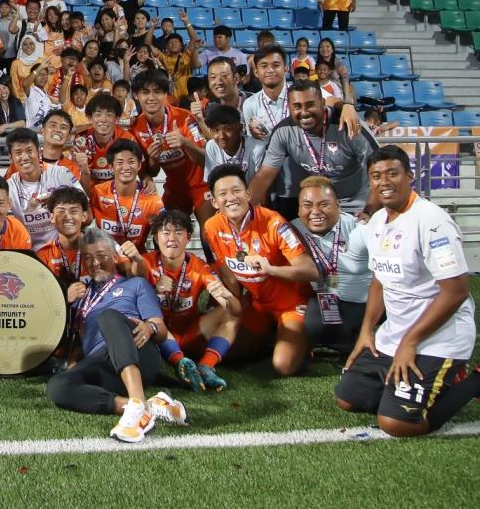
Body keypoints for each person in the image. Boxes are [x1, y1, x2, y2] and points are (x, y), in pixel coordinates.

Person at [335, 146, 480, 437]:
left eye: (393, 173)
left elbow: (455, 291)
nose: (384, 182)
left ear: (410, 176)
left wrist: (411, 342)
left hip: (438, 338)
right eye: (377, 176)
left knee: (397, 424)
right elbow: (380, 279)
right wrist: (367, 331)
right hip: (395, 336)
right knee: (348, 398)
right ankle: (424, 383)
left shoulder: (433, 223)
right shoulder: (377, 222)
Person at [45, 227, 188, 442]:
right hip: (104, 365)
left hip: (139, 352)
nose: (95, 263)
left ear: (114, 256)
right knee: (56, 387)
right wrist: (65, 301)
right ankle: (141, 407)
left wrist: (150, 328)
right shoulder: (82, 296)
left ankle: (138, 405)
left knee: (109, 317)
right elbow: (77, 343)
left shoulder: (135, 284)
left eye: (101, 256)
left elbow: (160, 328)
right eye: (89, 258)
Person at [201, 165, 317, 376]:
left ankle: (302, 338)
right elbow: (227, 271)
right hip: (259, 304)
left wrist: (270, 269)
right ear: (214, 202)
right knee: (228, 352)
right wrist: (236, 304)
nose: (231, 198)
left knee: (283, 365)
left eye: (236, 191)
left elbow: (310, 270)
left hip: (291, 304)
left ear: (248, 194)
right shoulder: (212, 226)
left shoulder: (274, 222)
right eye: (223, 194)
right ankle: (271, 334)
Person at [249, 80, 378, 221]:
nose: (304, 112)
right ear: (289, 107)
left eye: (310, 105)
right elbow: (264, 177)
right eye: (297, 106)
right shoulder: (283, 132)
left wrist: (369, 211)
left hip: (355, 208)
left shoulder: (348, 125)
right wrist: (243, 211)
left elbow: (380, 172)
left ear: (323, 103)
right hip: (316, 210)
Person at [143, 210, 237, 392]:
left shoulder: (199, 266)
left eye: (178, 232)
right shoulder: (145, 264)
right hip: (158, 336)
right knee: (147, 318)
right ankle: (181, 363)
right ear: (155, 237)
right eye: (165, 232)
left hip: (189, 334)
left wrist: (226, 297)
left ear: (188, 237)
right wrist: (154, 291)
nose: (172, 238)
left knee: (230, 312)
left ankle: (206, 365)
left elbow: (233, 308)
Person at [289, 176, 370, 354]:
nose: (315, 211)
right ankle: (343, 341)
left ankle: (354, 340)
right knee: (313, 325)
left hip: (360, 300)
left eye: (324, 204)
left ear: (338, 206)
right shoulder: (292, 231)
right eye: (307, 205)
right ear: (298, 209)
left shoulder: (360, 229)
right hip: (320, 297)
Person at [129, 71, 211, 227]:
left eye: (158, 92)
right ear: (136, 95)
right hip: (174, 186)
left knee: (208, 232)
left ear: (166, 94)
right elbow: (151, 172)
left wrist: (186, 143)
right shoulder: (135, 129)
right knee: (164, 231)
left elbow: (205, 158)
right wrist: (153, 159)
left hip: (201, 183)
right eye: (145, 92)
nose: (151, 98)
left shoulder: (184, 117)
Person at [5, 128, 85, 250]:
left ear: (39, 152)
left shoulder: (61, 174)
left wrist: (57, 202)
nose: (25, 157)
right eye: (18, 153)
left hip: (62, 250)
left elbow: (87, 216)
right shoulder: (9, 187)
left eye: (29, 150)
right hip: (27, 253)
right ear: (11, 158)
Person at [89, 139, 163, 254]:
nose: (126, 167)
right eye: (120, 162)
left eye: (131, 162)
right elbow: (83, 220)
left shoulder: (151, 199)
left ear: (139, 166)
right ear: (111, 167)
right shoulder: (98, 192)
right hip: (105, 259)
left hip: (137, 262)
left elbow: (165, 231)